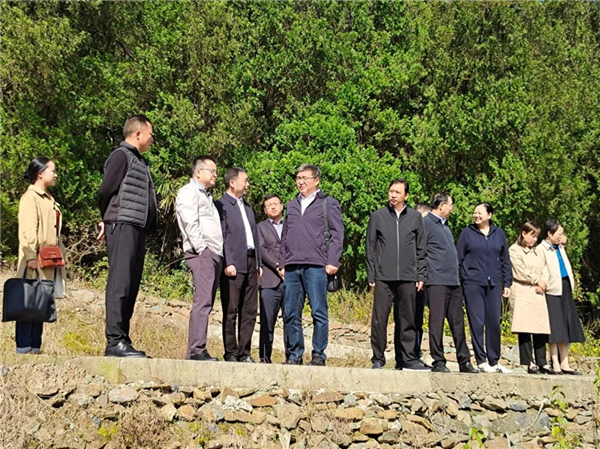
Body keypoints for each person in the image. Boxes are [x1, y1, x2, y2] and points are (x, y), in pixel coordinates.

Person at [98, 115, 157, 358]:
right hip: (121, 223)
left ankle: (123, 338)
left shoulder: (140, 161)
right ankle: (114, 341)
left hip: (136, 227)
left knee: (131, 285)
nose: (152, 139)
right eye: (151, 134)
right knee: (120, 283)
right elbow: (105, 191)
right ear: (138, 133)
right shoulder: (121, 156)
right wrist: (106, 218)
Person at [278, 164, 344, 366]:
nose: (300, 182)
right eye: (298, 178)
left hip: (316, 265)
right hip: (292, 265)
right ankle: (294, 355)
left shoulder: (328, 203)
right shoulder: (291, 205)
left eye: (305, 178)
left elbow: (337, 234)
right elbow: (285, 235)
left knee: (318, 312)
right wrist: (282, 262)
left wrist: (332, 260)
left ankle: (318, 354)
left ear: (316, 180)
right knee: (290, 313)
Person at [365, 179, 429, 371]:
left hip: (408, 276)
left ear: (406, 196)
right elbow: (370, 247)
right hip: (383, 277)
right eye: (391, 191)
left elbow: (421, 248)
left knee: (407, 319)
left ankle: (407, 359)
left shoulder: (415, 217)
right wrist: (371, 275)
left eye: (397, 192)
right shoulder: (378, 216)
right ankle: (378, 358)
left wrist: (421, 275)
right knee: (379, 319)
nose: (393, 195)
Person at [16, 157, 67, 354]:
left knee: (40, 304)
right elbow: (27, 230)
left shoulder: (48, 198)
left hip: (47, 261)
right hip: (34, 260)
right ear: (40, 173)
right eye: (52, 170)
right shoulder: (31, 198)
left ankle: (35, 349)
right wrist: (30, 255)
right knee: (28, 304)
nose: (56, 175)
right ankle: (24, 349)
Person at [175, 156, 223, 361]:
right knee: (202, 302)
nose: (215, 175)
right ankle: (197, 350)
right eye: (212, 171)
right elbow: (190, 222)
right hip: (202, 253)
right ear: (198, 172)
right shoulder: (189, 192)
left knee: (207, 302)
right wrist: (202, 249)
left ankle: (195, 350)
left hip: (213, 253)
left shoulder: (206, 195)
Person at [424, 193, 478, 374]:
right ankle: (438, 361)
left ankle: (464, 360)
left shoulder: (445, 226)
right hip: (436, 280)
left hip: (453, 281)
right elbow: (419, 252)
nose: (452, 208)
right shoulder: (426, 224)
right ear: (441, 205)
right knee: (436, 321)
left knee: (457, 322)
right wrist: (421, 276)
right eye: (450, 204)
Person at [457, 203, 513, 373]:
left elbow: (505, 260)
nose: (476, 215)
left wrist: (507, 283)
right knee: (477, 322)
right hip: (473, 283)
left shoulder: (499, 233)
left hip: (494, 284)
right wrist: (462, 280)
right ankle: (481, 360)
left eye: (480, 213)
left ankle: (494, 361)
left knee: (494, 322)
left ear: (489, 215)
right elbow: (459, 258)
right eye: (474, 213)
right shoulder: (467, 233)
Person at [215, 168, 261, 363]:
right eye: (245, 180)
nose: (248, 184)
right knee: (231, 309)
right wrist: (228, 261)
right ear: (232, 182)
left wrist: (258, 262)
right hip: (233, 262)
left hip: (251, 261)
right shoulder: (221, 205)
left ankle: (245, 353)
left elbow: (254, 236)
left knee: (249, 310)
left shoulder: (247, 207)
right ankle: (231, 352)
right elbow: (222, 235)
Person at [538, 219, 585, 375]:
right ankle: (555, 362)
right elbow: (541, 270)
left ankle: (565, 362)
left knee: (566, 325)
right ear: (550, 234)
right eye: (559, 233)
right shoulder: (542, 249)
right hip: (551, 289)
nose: (561, 236)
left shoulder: (560, 247)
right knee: (555, 328)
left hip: (564, 286)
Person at [508, 221, 556, 374]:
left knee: (540, 328)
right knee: (525, 328)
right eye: (532, 236)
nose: (534, 240)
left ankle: (542, 361)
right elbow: (519, 270)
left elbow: (545, 269)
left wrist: (543, 284)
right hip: (523, 291)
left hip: (538, 292)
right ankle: (528, 361)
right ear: (524, 233)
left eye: (536, 237)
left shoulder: (538, 252)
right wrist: (535, 279)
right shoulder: (514, 250)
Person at [257, 194, 288, 363]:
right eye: (269, 205)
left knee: (291, 321)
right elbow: (262, 250)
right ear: (265, 210)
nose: (273, 207)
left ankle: (292, 358)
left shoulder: (292, 225)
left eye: (276, 203)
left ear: (282, 206)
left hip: (291, 280)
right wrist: (278, 266)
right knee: (267, 321)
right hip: (269, 281)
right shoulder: (260, 227)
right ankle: (264, 357)